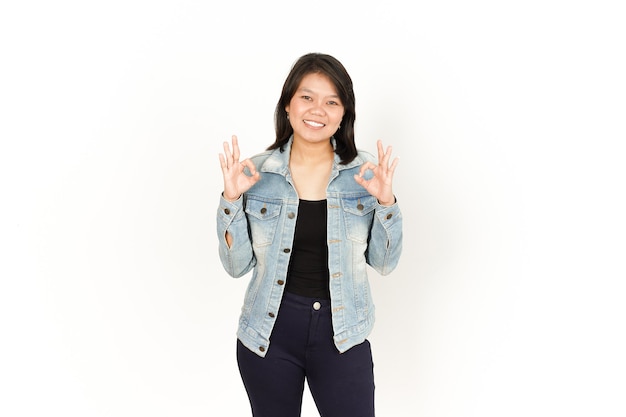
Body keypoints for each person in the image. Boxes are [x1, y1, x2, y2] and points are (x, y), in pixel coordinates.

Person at [216, 52, 403, 417]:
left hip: (343, 333)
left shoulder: (366, 174)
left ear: (343, 113)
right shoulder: (255, 174)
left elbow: (384, 263)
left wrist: (386, 203)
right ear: (288, 105)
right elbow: (236, 267)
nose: (318, 110)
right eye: (307, 97)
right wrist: (231, 200)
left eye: (331, 101)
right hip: (269, 333)